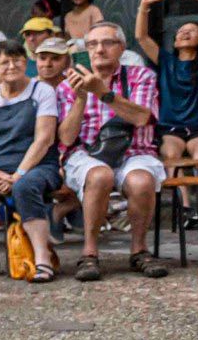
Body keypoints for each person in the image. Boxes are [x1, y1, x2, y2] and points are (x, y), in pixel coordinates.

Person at [59, 22, 169, 281]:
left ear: (121, 48)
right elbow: (65, 137)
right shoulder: (68, 83)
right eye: (92, 44)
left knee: (142, 180)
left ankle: (139, 251)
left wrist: (104, 93)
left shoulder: (141, 76)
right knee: (100, 175)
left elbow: (142, 118)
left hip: (135, 151)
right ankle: (89, 254)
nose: (99, 49)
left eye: (107, 42)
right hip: (87, 155)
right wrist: (81, 98)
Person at [0, 42, 64, 281]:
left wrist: (18, 175)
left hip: (37, 164)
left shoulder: (42, 91)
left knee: (25, 187)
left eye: (17, 60)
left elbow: (44, 139)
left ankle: (42, 259)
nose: (11, 66)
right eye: (4, 62)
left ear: (25, 64)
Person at [138, 0, 198, 220]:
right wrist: (144, 6)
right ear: (175, 41)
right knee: (172, 158)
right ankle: (186, 208)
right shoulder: (166, 61)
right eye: (180, 31)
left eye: (191, 30)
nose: (185, 32)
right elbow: (142, 37)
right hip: (171, 128)